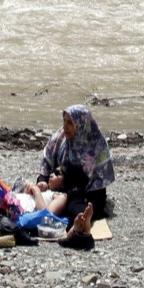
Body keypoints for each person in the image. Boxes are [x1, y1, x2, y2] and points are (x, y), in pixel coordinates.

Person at [37, 104, 114, 247]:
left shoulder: (95, 144)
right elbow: (46, 166)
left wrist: (64, 182)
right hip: (59, 189)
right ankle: (80, 228)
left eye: (70, 123)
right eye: (64, 121)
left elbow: (87, 180)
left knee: (74, 206)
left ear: (80, 124)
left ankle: (78, 229)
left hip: (87, 192)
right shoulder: (58, 139)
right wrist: (43, 182)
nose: (65, 127)